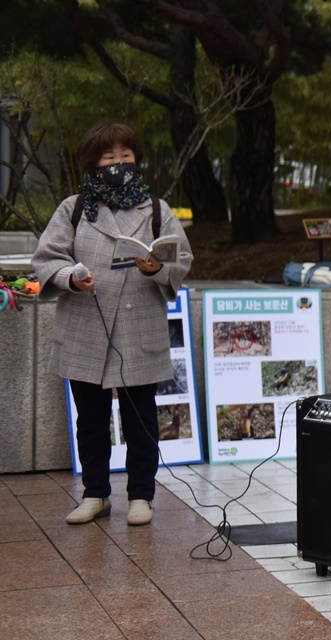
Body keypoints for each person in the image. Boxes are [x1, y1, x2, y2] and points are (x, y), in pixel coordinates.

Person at [33, 123, 193, 527]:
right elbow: (46, 258)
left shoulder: (157, 209)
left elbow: (182, 260)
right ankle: (95, 494)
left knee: (140, 417)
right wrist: (71, 277)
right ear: (92, 163)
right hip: (85, 324)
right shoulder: (74, 207)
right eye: (108, 157)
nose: (118, 164)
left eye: (125, 156)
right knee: (90, 419)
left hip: (139, 326)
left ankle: (141, 495)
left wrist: (157, 267)